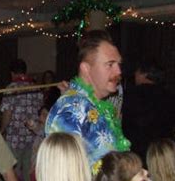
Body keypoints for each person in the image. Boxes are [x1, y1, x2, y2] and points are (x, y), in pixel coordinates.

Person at [45, 30, 130, 173]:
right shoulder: (71, 109)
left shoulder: (100, 107)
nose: (119, 71)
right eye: (110, 64)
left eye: (118, 64)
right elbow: (62, 176)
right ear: (86, 68)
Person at [122, 61, 175, 164]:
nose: (134, 75)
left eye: (137, 72)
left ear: (144, 74)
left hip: (134, 156)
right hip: (163, 156)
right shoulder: (173, 99)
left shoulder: (131, 95)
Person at [0, 59, 44, 181]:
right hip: (31, 137)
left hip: (14, 137)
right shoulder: (36, 88)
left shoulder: (11, 87)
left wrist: (2, 129)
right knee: (27, 174)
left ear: (12, 73)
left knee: (11, 173)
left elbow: (7, 113)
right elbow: (40, 110)